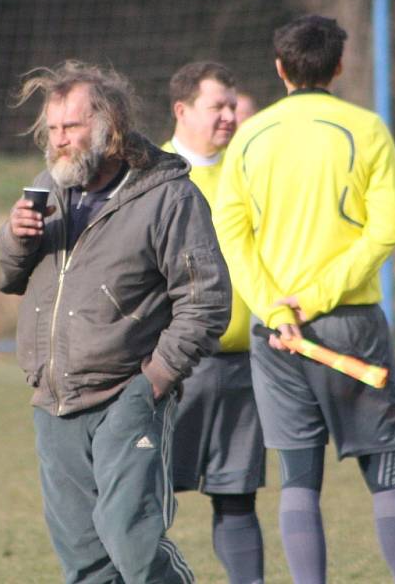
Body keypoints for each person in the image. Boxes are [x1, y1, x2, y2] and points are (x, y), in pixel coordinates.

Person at [0, 60, 232, 584]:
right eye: (52, 130)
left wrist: (156, 379)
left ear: (108, 125)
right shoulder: (47, 189)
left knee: (134, 544)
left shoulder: (167, 195)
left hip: (129, 394)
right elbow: (1, 276)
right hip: (55, 402)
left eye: (69, 127)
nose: (58, 141)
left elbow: (206, 299)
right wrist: (14, 236)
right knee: (85, 561)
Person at [215, 15, 395, 584]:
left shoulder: (248, 139)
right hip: (352, 326)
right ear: (339, 66)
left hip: (278, 337)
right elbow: (384, 232)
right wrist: (317, 297)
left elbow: (231, 238)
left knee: (298, 479)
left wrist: (276, 309)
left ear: (280, 67)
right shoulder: (368, 129)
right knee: (387, 474)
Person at [162, 61, 265, 584]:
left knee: (237, 497)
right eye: (217, 107)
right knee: (147, 497)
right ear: (182, 110)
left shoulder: (250, 169)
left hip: (247, 364)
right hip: (170, 368)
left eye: (232, 106)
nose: (229, 116)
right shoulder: (148, 175)